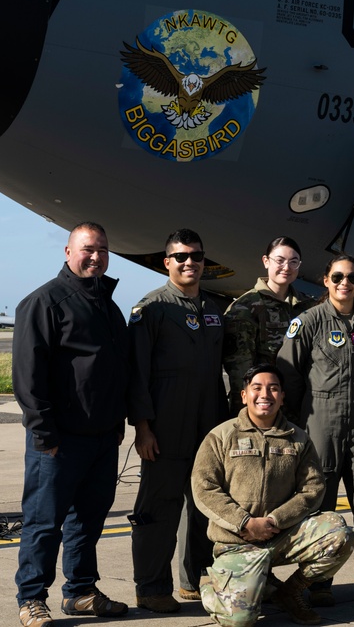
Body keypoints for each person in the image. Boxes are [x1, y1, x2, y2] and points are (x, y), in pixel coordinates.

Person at [13, 222, 129, 627]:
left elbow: (114, 371)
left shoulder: (108, 307)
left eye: (101, 249)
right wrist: (44, 434)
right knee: (45, 524)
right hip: (58, 441)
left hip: (101, 439)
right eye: (86, 249)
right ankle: (30, 599)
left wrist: (117, 423)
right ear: (67, 252)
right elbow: (28, 378)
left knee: (88, 521)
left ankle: (80, 591)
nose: (95, 256)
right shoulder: (45, 302)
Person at [276, 255, 354, 609]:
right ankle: (317, 584)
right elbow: (288, 372)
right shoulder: (309, 321)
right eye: (338, 277)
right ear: (326, 281)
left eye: (352, 278)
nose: (345, 283)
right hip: (321, 421)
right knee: (320, 507)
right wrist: (302, 419)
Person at [192, 363, 354, 627]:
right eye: (256, 388)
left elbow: (313, 488)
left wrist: (275, 521)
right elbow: (204, 488)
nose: (265, 394)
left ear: (282, 397)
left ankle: (289, 592)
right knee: (239, 620)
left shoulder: (298, 438)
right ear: (244, 395)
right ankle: (215, 587)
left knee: (339, 534)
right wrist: (245, 522)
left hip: (280, 535)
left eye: (273, 388)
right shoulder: (221, 436)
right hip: (237, 541)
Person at [127, 228, 229, 613]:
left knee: (205, 505)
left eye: (197, 256)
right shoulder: (151, 308)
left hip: (209, 426)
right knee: (159, 508)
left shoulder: (214, 309)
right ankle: (151, 588)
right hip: (165, 427)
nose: (190, 263)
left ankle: (194, 581)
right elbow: (135, 373)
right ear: (167, 262)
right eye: (181, 256)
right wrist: (142, 427)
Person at [223, 236, 314, 414]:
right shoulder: (245, 308)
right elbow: (240, 372)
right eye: (279, 261)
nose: (286, 267)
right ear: (266, 261)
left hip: (302, 407)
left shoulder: (308, 307)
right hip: (264, 408)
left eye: (293, 262)